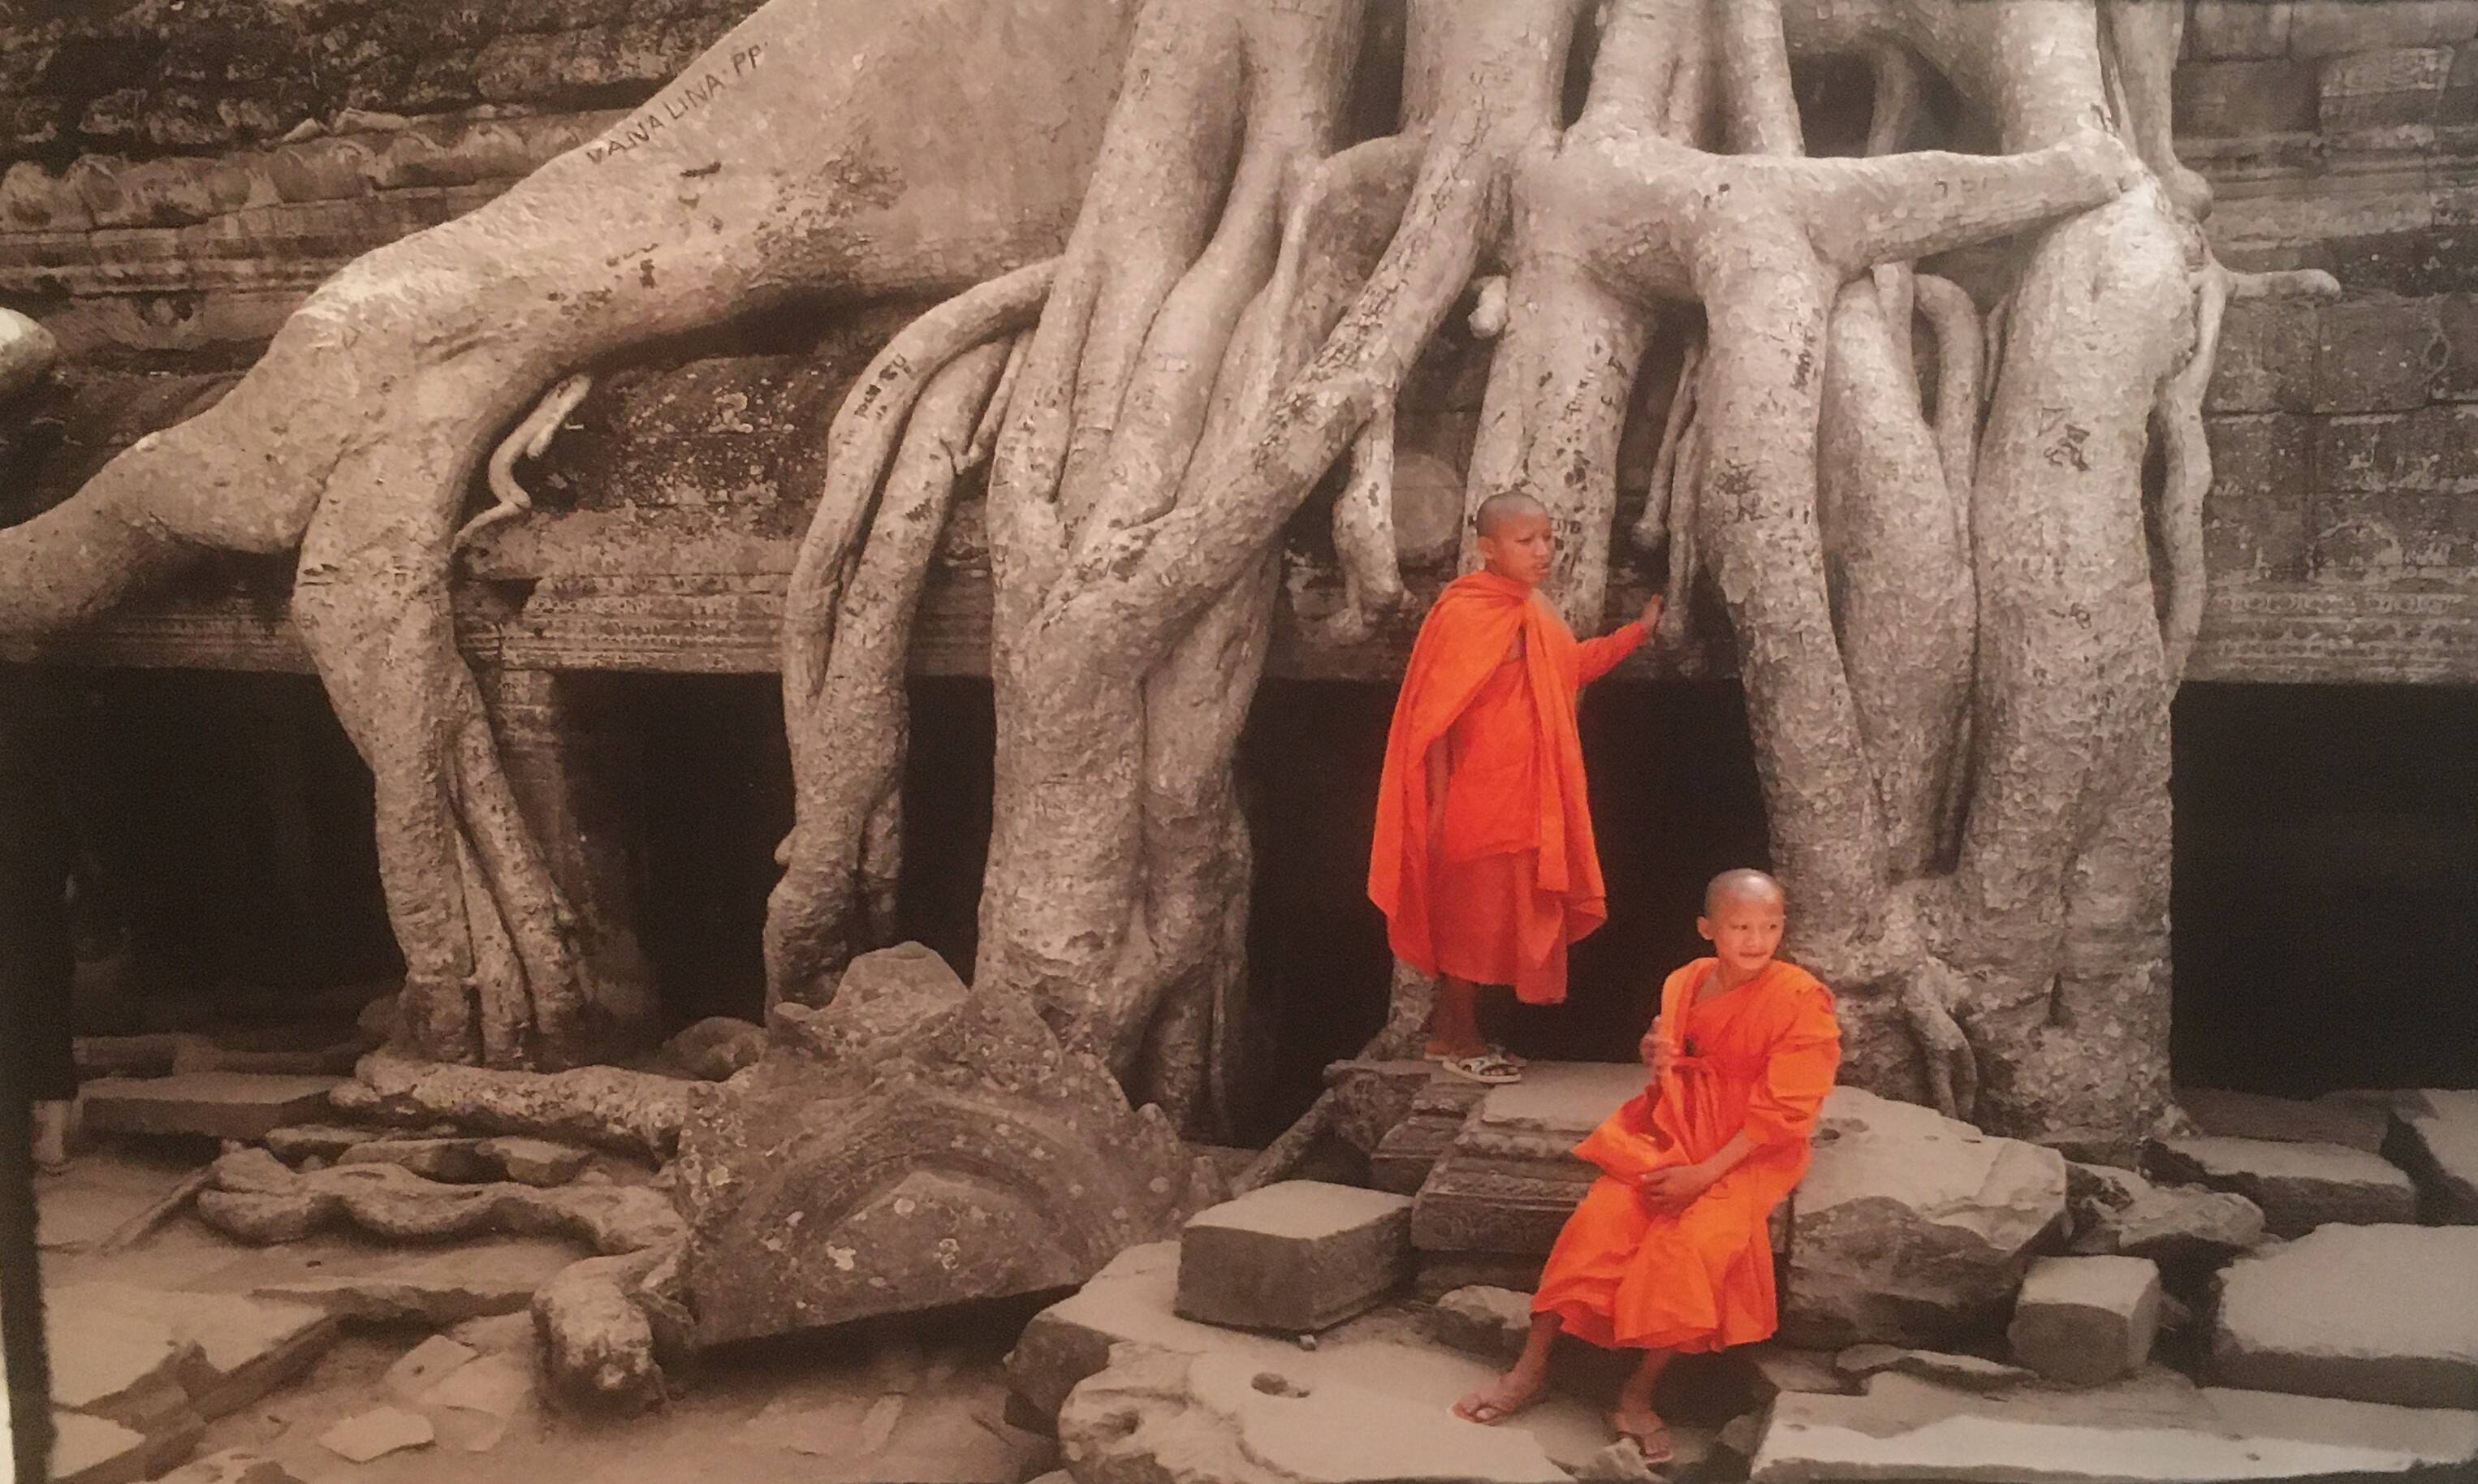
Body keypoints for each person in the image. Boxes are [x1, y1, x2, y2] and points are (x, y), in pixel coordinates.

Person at [1452, 869, 1841, 1461]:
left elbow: (1787, 1110)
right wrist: (1653, 1053)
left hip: (1747, 1151)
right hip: (1672, 1132)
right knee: (1596, 1225)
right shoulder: (1686, 981)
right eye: (1740, 926)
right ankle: (1528, 1372)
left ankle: (1636, 1396)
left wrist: (1702, 1176)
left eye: (1770, 926)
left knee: (1690, 1249)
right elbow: (1672, 1054)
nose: (1756, 939)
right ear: (1708, 929)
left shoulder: (1799, 998)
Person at [1368, 491, 1658, 1084]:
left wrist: (1636, 635)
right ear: (1487, 548)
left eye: (1547, 538)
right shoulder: (1463, 613)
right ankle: (1452, 1037)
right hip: (1477, 797)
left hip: (1529, 798)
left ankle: (1464, 1034)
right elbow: (1433, 722)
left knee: (1502, 917)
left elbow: (1566, 670)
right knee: (1467, 924)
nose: (1543, 551)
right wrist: (1438, 806)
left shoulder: (1535, 610)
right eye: (1527, 541)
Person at [0, 669, 80, 1173]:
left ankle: (48, 1136)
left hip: (32, 904)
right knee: (42, 1007)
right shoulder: (39, 766)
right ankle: (46, 1137)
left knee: (40, 1005)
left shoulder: (30, 768)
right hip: (37, 901)